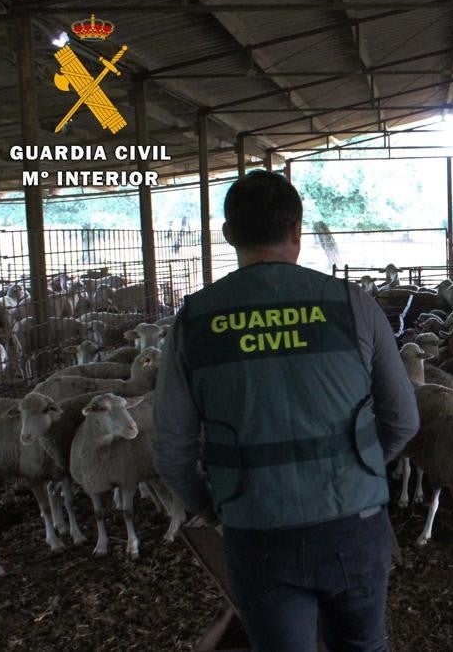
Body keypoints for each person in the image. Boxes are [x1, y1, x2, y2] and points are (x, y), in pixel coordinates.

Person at [154, 170, 419, 652]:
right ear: (297, 231)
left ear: (228, 234)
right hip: (353, 523)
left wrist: (214, 508)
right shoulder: (353, 305)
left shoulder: (194, 320)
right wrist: (359, 469)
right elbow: (403, 419)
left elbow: (171, 452)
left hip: (256, 530)